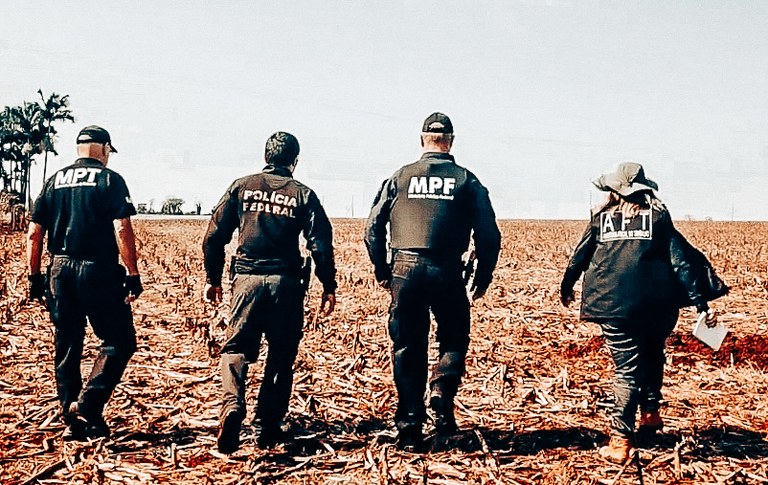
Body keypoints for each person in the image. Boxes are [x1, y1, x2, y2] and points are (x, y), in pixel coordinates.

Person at [560, 162, 726, 463]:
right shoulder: (658, 217)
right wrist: (700, 303)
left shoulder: (601, 218)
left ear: (614, 190)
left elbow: (579, 257)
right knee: (652, 353)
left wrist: (566, 287)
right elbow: (681, 262)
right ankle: (650, 414)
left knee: (627, 371)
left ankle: (620, 441)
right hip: (657, 306)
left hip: (614, 306)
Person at [364, 112, 501, 451]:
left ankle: (410, 429)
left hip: (405, 270)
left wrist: (383, 270)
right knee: (454, 337)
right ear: (450, 141)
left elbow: (372, 229)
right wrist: (482, 277)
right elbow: (489, 235)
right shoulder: (466, 180)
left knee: (407, 346)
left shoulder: (400, 177)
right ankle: (441, 393)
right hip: (447, 271)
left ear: (422, 140)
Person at [203, 131, 337, 454]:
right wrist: (328, 285)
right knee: (281, 354)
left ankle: (232, 406)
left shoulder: (241, 187)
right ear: (295, 161)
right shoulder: (303, 194)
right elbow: (320, 244)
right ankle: (267, 426)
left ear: (266, 156)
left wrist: (213, 278)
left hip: (246, 282)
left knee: (235, 349)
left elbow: (213, 237)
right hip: (286, 286)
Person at [27, 125, 143, 440]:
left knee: (67, 343)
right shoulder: (110, 180)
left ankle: (71, 415)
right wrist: (132, 273)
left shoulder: (53, 181)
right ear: (104, 149)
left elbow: (34, 234)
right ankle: (89, 404)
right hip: (98, 270)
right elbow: (122, 228)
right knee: (119, 340)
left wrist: (34, 277)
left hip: (60, 270)